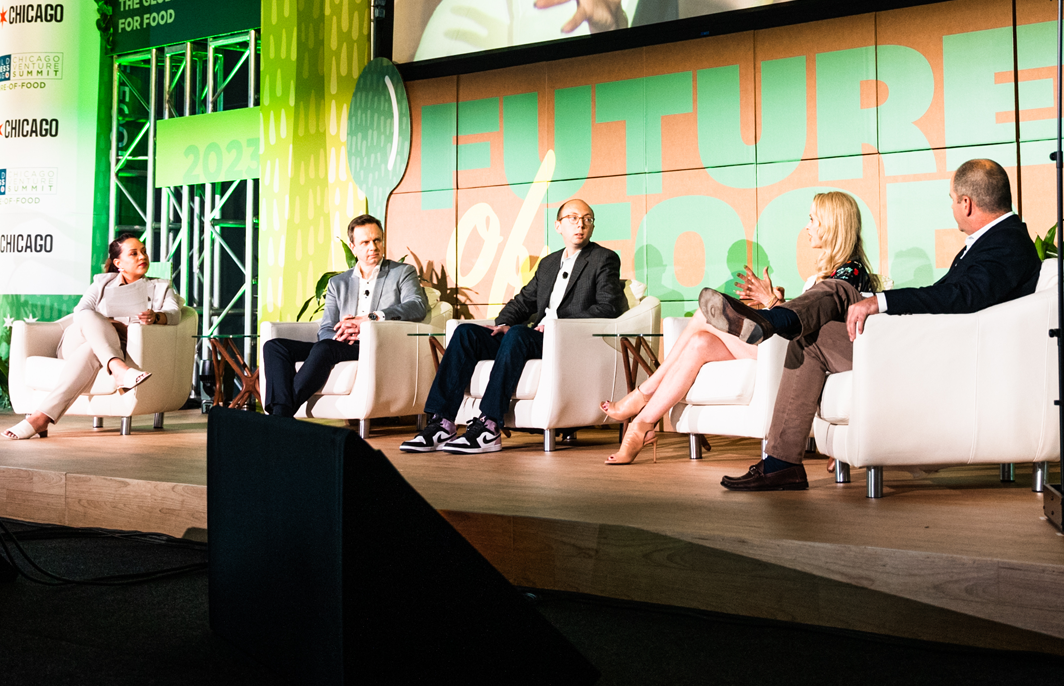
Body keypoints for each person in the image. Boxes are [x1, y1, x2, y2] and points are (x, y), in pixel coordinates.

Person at [699, 159, 1041, 491]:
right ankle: (781, 462)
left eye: (952, 200)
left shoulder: (1005, 245)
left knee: (837, 297)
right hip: (933, 346)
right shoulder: (995, 243)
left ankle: (777, 322)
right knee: (812, 332)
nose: (952, 208)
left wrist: (882, 302)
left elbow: (960, 298)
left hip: (941, 358)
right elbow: (951, 296)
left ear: (966, 203)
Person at [603, 191, 879, 464]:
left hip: (805, 356)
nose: (807, 227)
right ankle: (642, 424)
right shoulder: (828, 273)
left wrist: (772, 303)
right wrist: (775, 302)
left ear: (832, 225)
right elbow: (811, 315)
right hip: (789, 348)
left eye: (813, 220)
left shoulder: (850, 274)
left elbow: (823, 330)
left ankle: (645, 393)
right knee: (699, 342)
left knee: (703, 316)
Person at [401, 199, 627, 454]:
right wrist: (503, 323)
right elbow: (523, 300)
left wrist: (555, 325)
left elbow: (608, 308)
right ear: (558, 225)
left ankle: (488, 426)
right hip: (531, 337)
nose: (581, 224)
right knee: (467, 333)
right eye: (573, 218)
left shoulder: (603, 259)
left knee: (519, 333)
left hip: (563, 339)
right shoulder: (549, 263)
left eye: (588, 219)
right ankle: (442, 423)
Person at [2, 234, 181, 440]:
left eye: (143, 251)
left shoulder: (161, 287)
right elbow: (80, 311)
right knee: (89, 315)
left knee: (92, 350)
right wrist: (106, 323)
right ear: (118, 263)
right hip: (74, 343)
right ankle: (120, 370)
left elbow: (175, 314)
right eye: (134, 253)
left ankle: (40, 418)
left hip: (109, 349)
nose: (142, 256)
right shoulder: (102, 282)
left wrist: (156, 316)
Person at [261, 214, 429, 417]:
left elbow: (417, 306)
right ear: (353, 247)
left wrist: (370, 318)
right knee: (275, 346)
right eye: (365, 242)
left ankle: (279, 416)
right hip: (340, 344)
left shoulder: (402, 272)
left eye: (377, 240)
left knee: (324, 348)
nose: (373, 247)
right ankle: (281, 415)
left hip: (375, 345)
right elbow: (325, 328)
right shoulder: (338, 283)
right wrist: (339, 337)